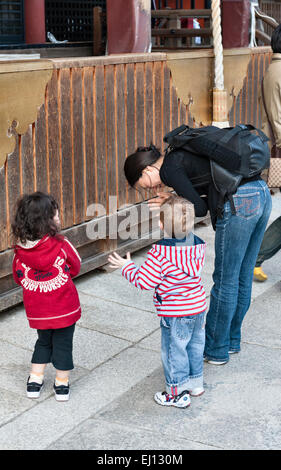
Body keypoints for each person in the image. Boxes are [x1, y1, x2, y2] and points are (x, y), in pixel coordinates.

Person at [123, 143, 272, 365]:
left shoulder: (169, 169)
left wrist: (169, 201)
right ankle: (231, 340)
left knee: (226, 279)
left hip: (240, 202)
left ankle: (216, 349)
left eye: (143, 185)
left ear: (146, 170)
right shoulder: (179, 154)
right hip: (261, 191)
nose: (151, 190)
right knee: (242, 275)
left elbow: (199, 210)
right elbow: (203, 197)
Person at [108, 195, 206, 408]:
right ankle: (196, 383)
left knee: (174, 350)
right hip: (198, 306)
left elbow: (144, 281)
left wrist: (127, 267)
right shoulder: (198, 245)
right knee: (195, 345)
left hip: (175, 312)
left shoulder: (160, 253)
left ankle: (176, 393)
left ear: (161, 224)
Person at [12, 192, 81, 401]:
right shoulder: (61, 244)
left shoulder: (19, 251)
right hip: (64, 307)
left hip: (38, 311)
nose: (59, 220)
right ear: (46, 222)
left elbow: (18, 278)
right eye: (56, 216)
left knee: (43, 342)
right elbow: (76, 266)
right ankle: (61, 383)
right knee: (63, 343)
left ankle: (35, 379)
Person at [253, 24, 281, 282]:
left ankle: (256, 257)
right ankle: (256, 256)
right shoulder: (278, 71)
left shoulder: (275, 69)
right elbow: (278, 118)